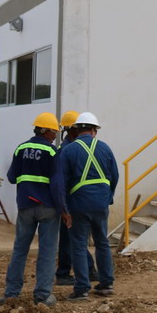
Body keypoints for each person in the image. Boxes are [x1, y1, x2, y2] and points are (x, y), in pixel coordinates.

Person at [0, 111, 65, 306]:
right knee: (47, 251)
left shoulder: (21, 148)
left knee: (20, 250)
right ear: (45, 131)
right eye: (53, 132)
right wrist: (63, 208)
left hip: (26, 206)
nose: (54, 136)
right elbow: (57, 184)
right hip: (48, 209)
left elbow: (12, 177)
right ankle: (43, 295)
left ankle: (11, 293)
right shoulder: (52, 152)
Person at [58, 111, 118, 299]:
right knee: (102, 242)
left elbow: (61, 183)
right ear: (94, 131)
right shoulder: (105, 148)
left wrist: (64, 208)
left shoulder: (68, 150)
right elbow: (114, 176)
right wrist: (108, 197)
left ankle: (82, 289)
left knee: (78, 244)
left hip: (78, 204)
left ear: (77, 130)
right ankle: (106, 284)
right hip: (101, 203)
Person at [54, 109, 97, 286]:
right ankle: (66, 273)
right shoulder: (67, 150)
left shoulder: (69, 148)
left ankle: (80, 270)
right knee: (70, 239)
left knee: (74, 238)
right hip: (70, 201)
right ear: (72, 130)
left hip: (74, 200)